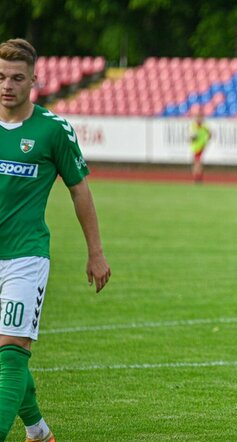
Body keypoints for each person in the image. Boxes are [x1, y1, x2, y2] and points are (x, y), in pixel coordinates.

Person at [0, 38, 111, 442]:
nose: (6, 85)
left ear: (34, 80)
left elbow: (79, 190)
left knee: (11, 356)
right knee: (4, 356)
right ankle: (40, 432)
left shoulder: (52, 130)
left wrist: (95, 253)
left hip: (25, 258)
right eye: (0, 77)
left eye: (16, 78)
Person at [189, 110, 211, 183]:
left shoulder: (204, 127)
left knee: (197, 163)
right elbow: (191, 138)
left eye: (200, 117)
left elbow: (210, 134)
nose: (199, 119)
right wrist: (193, 138)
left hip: (200, 147)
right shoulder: (193, 126)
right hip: (195, 147)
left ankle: (197, 178)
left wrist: (205, 142)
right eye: (197, 117)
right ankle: (198, 178)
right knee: (197, 163)